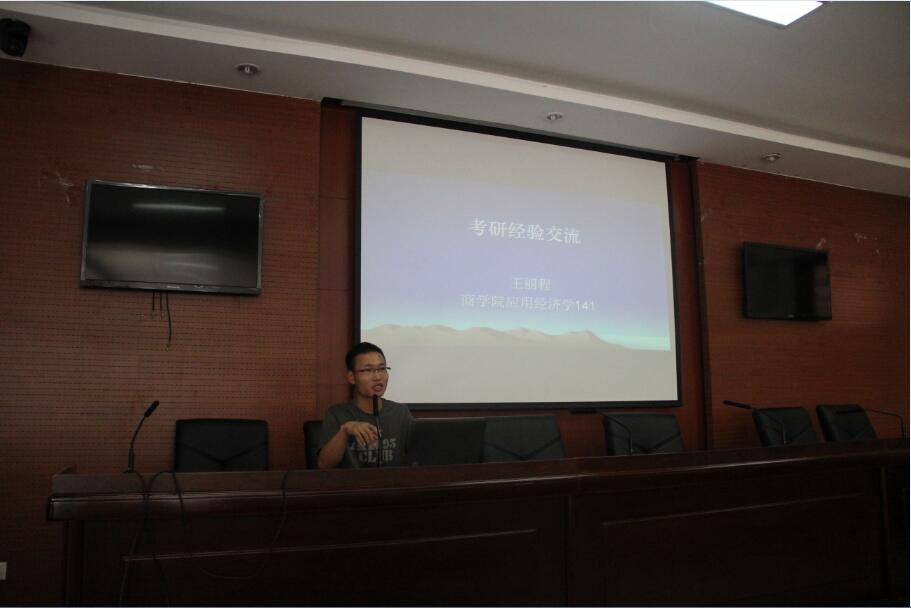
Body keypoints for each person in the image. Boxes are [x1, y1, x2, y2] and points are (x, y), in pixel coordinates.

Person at [317, 342, 414, 468]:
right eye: (368, 370)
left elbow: (419, 457)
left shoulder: (400, 413)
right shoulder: (337, 414)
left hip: (394, 480)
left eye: (382, 369)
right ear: (352, 377)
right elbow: (324, 464)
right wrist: (344, 431)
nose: (377, 377)